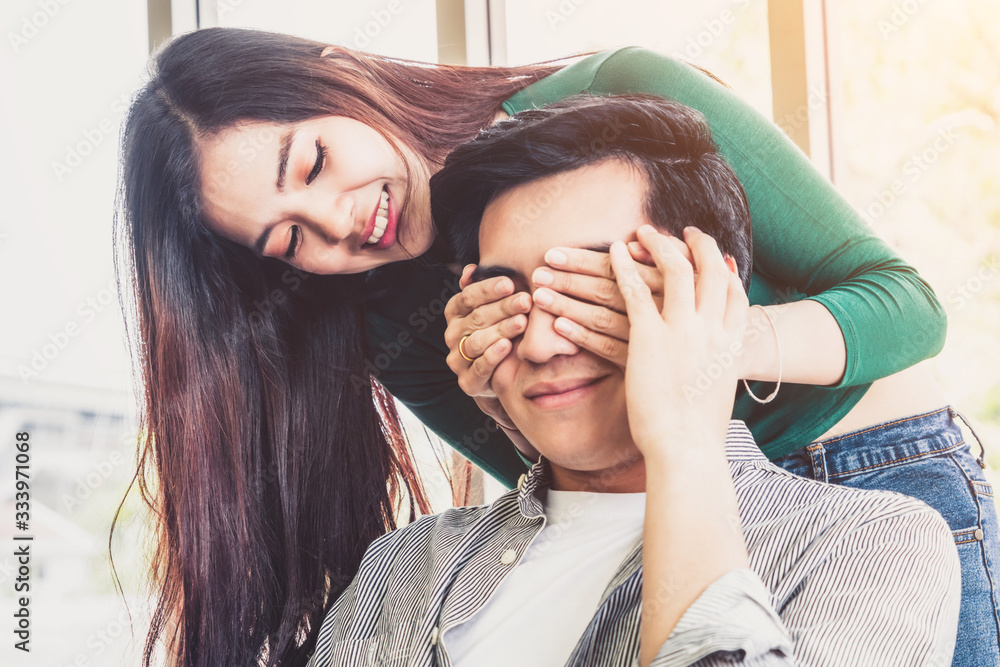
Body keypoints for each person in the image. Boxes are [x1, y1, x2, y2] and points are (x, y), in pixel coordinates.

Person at [114, 27, 996, 667]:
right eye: (291, 241)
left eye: (310, 166)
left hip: (874, 466)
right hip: (669, 519)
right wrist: (505, 401)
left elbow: (906, 305)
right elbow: (576, 476)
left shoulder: (622, 99)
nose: (341, 220)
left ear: (335, 73)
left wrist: (702, 345)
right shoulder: (395, 322)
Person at [307, 94, 961, 667]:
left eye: (594, 292)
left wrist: (687, 418)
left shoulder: (870, 546)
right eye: (509, 298)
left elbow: (909, 306)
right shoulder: (400, 567)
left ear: (712, 291)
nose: (539, 342)